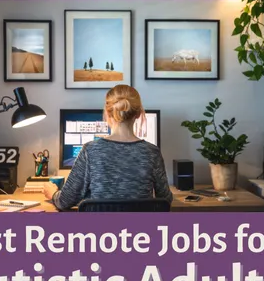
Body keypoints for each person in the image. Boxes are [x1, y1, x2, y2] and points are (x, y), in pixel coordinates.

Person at [44, 84, 173, 210]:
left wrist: (53, 193)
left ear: (107, 113)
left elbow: (65, 201)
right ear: (139, 113)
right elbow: (166, 199)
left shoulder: (90, 150)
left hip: (101, 230)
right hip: (140, 231)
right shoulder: (152, 152)